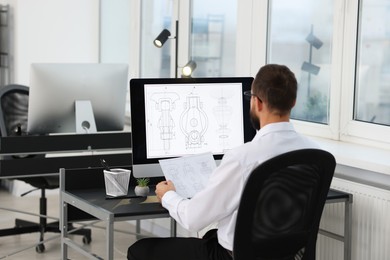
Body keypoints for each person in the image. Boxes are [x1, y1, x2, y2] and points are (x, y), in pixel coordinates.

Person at [127, 64, 320, 260]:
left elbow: (193, 218)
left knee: (140, 250)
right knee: (212, 236)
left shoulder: (242, 158)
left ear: (257, 103)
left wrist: (168, 196)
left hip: (232, 256)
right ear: (293, 102)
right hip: (287, 255)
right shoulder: (316, 153)